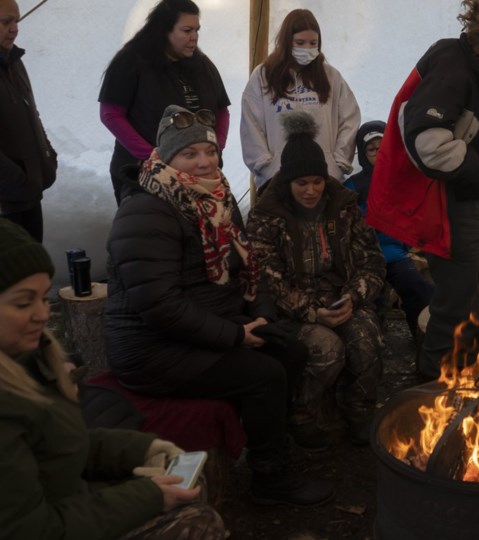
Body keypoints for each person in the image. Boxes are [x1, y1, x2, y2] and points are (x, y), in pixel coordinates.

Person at [104, 105, 333, 506]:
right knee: (264, 375)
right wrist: (235, 336)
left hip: (206, 323)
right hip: (150, 348)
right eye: (190, 154)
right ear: (166, 157)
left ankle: (268, 438)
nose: (204, 161)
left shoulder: (216, 198)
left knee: (290, 349)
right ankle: (269, 477)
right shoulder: (146, 209)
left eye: (208, 152)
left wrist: (261, 316)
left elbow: (249, 266)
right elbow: (158, 304)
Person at [0, 219, 225, 539]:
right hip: (54, 522)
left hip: (69, 500)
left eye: (43, 297)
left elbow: (60, 447)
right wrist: (148, 497)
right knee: (196, 521)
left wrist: (145, 448)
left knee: (187, 482)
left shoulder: (25, 360)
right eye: (24, 302)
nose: (43, 314)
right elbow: (30, 529)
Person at [366, 0, 479, 379]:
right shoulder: (453, 65)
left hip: (475, 203)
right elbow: (428, 140)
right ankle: (431, 396)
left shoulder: (474, 70)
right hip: (454, 206)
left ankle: (475, 374)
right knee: (455, 306)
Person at [248, 111, 385, 445]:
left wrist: (355, 296)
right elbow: (267, 279)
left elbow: (371, 258)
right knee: (327, 349)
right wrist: (312, 312)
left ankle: (359, 411)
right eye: (302, 183)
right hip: (293, 308)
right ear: (287, 182)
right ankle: (301, 413)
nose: (311, 191)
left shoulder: (343, 205)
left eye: (317, 182)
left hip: (341, 297)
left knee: (368, 341)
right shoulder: (268, 215)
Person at [99, 0, 230, 205]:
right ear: (164, 31)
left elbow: (222, 110)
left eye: (197, 30)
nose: (194, 37)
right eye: (187, 30)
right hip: (143, 174)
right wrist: (154, 157)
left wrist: (215, 147)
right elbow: (111, 114)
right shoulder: (132, 60)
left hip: (199, 174)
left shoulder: (202, 64)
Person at [241, 8, 360, 188]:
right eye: (300, 42)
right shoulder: (263, 75)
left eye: (313, 43)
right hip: (277, 178)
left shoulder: (331, 76)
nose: (307, 49)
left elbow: (349, 118)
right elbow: (251, 124)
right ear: (286, 42)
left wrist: (338, 163)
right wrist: (265, 166)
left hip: (324, 178)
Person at [345, 120, 435, 343]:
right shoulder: (353, 186)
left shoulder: (401, 179)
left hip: (395, 253)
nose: (377, 153)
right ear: (363, 153)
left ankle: (425, 340)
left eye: (382, 146)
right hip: (365, 258)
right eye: (371, 149)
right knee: (368, 300)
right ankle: (373, 341)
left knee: (417, 289)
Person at [0, 0, 57, 241]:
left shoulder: (14, 61)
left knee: (35, 271)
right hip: (6, 200)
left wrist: (48, 156)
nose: (15, 28)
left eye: (17, 21)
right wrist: (16, 179)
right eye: (5, 22)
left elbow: (30, 112)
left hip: (29, 192)